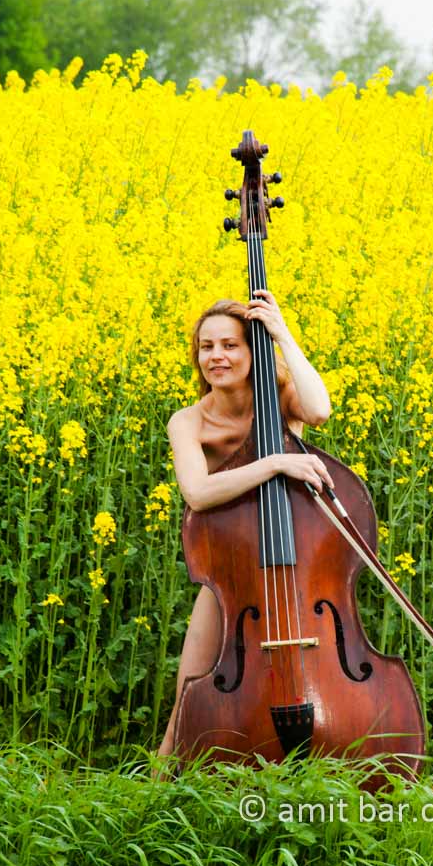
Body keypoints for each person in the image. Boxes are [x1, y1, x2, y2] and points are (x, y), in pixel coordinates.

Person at [156, 288, 334, 759]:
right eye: (207, 347)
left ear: (254, 352)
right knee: (188, 699)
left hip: (299, 571)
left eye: (231, 345)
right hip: (231, 574)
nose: (216, 356)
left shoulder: (281, 398)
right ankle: (155, 794)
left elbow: (319, 411)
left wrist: (281, 333)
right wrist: (275, 462)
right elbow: (197, 492)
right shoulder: (188, 422)